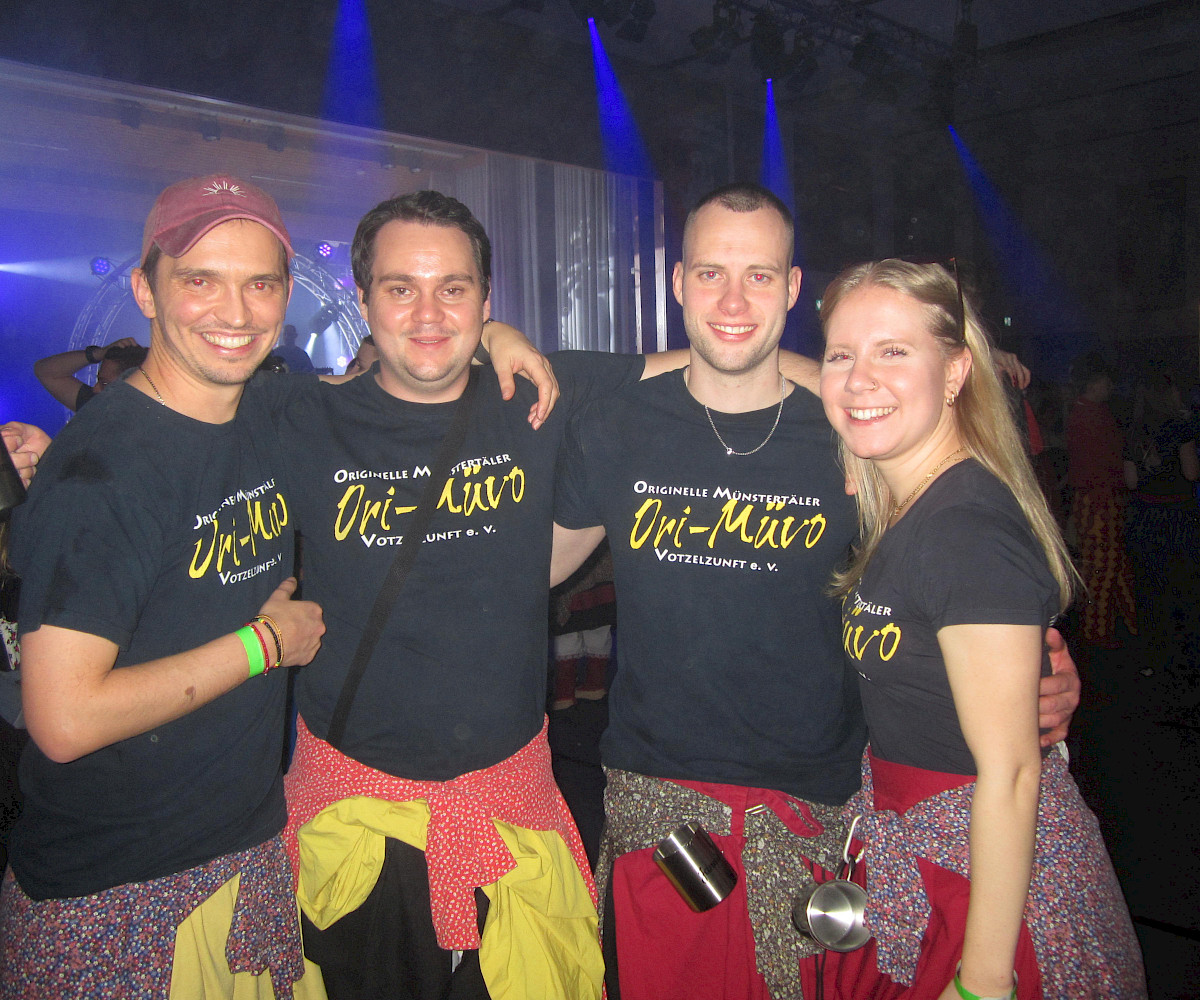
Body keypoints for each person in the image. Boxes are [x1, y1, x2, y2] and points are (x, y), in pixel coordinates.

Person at [551, 183, 1081, 1000]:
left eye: (760, 276)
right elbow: (525, 572)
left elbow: (965, 558)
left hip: (825, 817)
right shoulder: (620, 423)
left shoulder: (852, 434)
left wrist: (1031, 674)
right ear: (677, 283)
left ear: (792, 288)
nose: (734, 300)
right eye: (711, 273)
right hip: (662, 808)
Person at [264, 190, 697, 1000]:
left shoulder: (535, 395)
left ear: (487, 299)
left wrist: (866, 398)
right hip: (355, 817)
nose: (429, 313)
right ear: (363, 300)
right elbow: (180, 433)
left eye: (454, 288)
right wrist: (47, 453)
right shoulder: (304, 416)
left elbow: (718, 365)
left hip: (510, 810)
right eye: (401, 288)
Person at [0, 174, 328, 1000]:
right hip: (117, 896)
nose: (235, 311)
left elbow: (402, 382)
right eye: (200, 280)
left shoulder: (262, 410)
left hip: (239, 851)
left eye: (259, 284)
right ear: (146, 291)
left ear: (286, 296)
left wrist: (491, 335)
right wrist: (265, 644)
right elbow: (65, 720)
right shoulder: (101, 471)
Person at [818, 259, 1146, 998]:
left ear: (957, 372)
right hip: (926, 856)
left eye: (893, 351)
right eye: (841, 354)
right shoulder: (911, 501)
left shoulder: (963, 529)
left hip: (986, 890)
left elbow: (1013, 773)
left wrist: (984, 982)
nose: (860, 378)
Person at [1123, 372, 1200, 668]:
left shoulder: (1134, 431)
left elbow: (1131, 482)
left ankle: (1154, 658)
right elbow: (1191, 473)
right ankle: (1184, 658)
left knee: (1150, 589)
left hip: (1146, 517)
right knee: (1182, 586)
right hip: (1177, 516)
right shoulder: (1180, 427)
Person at [1066, 352, 1137, 647]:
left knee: (1112, 564)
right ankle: (1096, 636)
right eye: (1107, 380)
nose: (1111, 386)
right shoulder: (1088, 415)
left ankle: (1125, 627)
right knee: (1101, 568)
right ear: (1094, 382)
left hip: (1101, 500)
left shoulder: (1092, 412)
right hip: (1098, 502)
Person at [33, 337, 148, 411]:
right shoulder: (98, 408)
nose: (96, 389)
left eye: (104, 383)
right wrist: (99, 353)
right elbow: (45, 372)